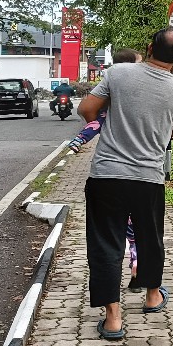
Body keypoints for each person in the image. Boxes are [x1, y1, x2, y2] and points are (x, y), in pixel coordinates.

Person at [79, 28, 173, 340]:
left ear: (149, 46)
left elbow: (86, 110)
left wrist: (114, 116)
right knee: (150, 239)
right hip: (148, 178)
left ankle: (113, 318)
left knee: (105, 244)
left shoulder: (119, 73)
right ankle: (152, 296)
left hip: (106, 176)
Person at [68, 49, 143, 283]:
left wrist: (78, 141)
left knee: (109, 233)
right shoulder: (139, 95)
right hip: (140, 171)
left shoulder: (109, 102)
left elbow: (91, 120)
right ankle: (136, 262)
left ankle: (110, 293)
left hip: (108, 173)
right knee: (134, 225)